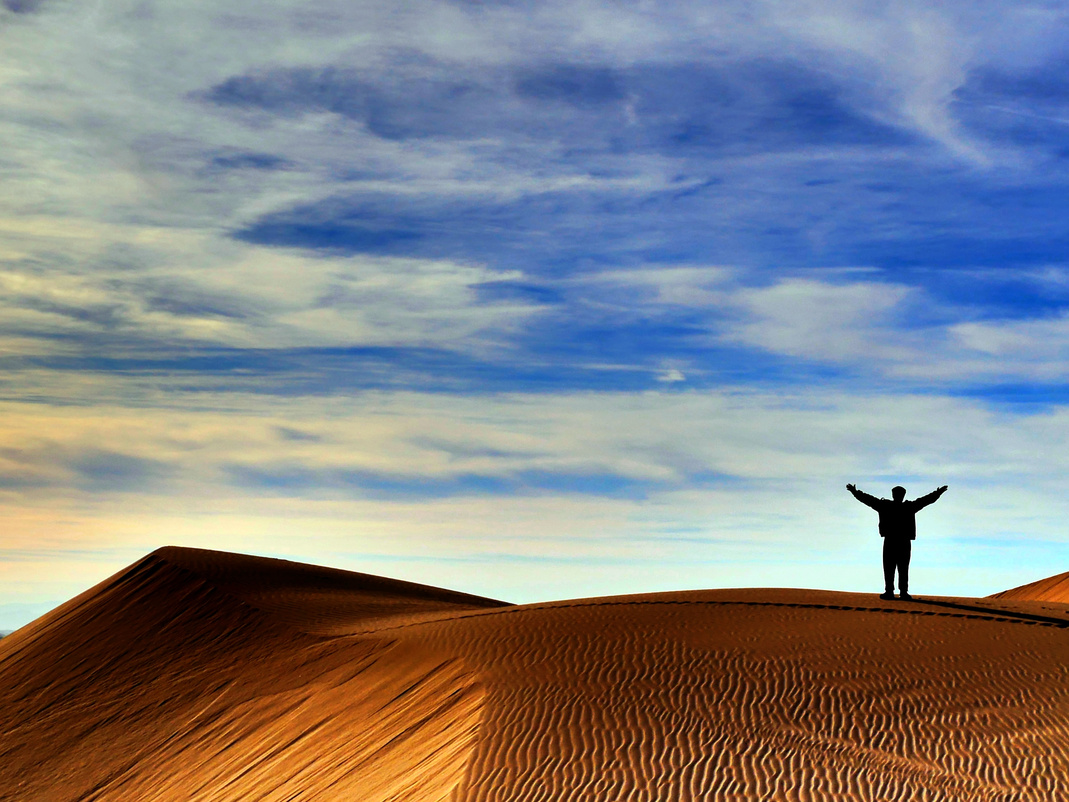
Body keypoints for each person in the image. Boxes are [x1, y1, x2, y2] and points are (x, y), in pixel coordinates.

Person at [846, 483, 947, 601]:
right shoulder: (907, 507)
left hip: (892, 540)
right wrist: (938, 493)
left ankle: (891, 592)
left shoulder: (886, 506)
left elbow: (868, 500)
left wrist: (855, 492)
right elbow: (925, 500)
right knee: (901, 568)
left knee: (892, 567)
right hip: (902, 541)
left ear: (893, 495)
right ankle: (901, 592)